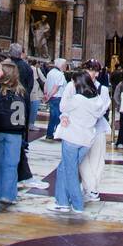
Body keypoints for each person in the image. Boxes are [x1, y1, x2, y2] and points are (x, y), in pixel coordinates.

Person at [49, 69, 109, 214]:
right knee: (65, 168)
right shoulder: (97, 100)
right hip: (87, 139)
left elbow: (63, 107)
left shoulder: (77, 99)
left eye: (73, 82)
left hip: (72, 138)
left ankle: (76, 204)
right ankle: (61, 201)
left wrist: (68, 93)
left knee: (69, 171)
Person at [0, 59, 27, 205]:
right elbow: (27, 114)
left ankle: (0, 193)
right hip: (16, 133)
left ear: (4, 73)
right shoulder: (22, 91)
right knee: (11, 165)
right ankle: (9, 195)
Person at [77, 60, 109, 202]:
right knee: (83, 159)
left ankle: (92, 189)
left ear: (97, 73)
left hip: (97, 127)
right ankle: (89, 188)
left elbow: (101, 110)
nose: (90, 73)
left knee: (97, 160)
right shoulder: (76, 86)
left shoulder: (103, 89)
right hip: (81, 127)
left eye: (93, 70)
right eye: (88, 69)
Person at [43, 56, 67, 140]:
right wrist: (49, 96)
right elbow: (56, 87)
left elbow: (45, 84)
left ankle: (50, 134)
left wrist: (46, 94)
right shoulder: (59, 74)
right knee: (57, 117)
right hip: (57, 97)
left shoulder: (50, 72)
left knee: (53, 117)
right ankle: (57, 134)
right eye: (64, 65)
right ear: (61, 65)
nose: (65, 66)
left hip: (52, 97)